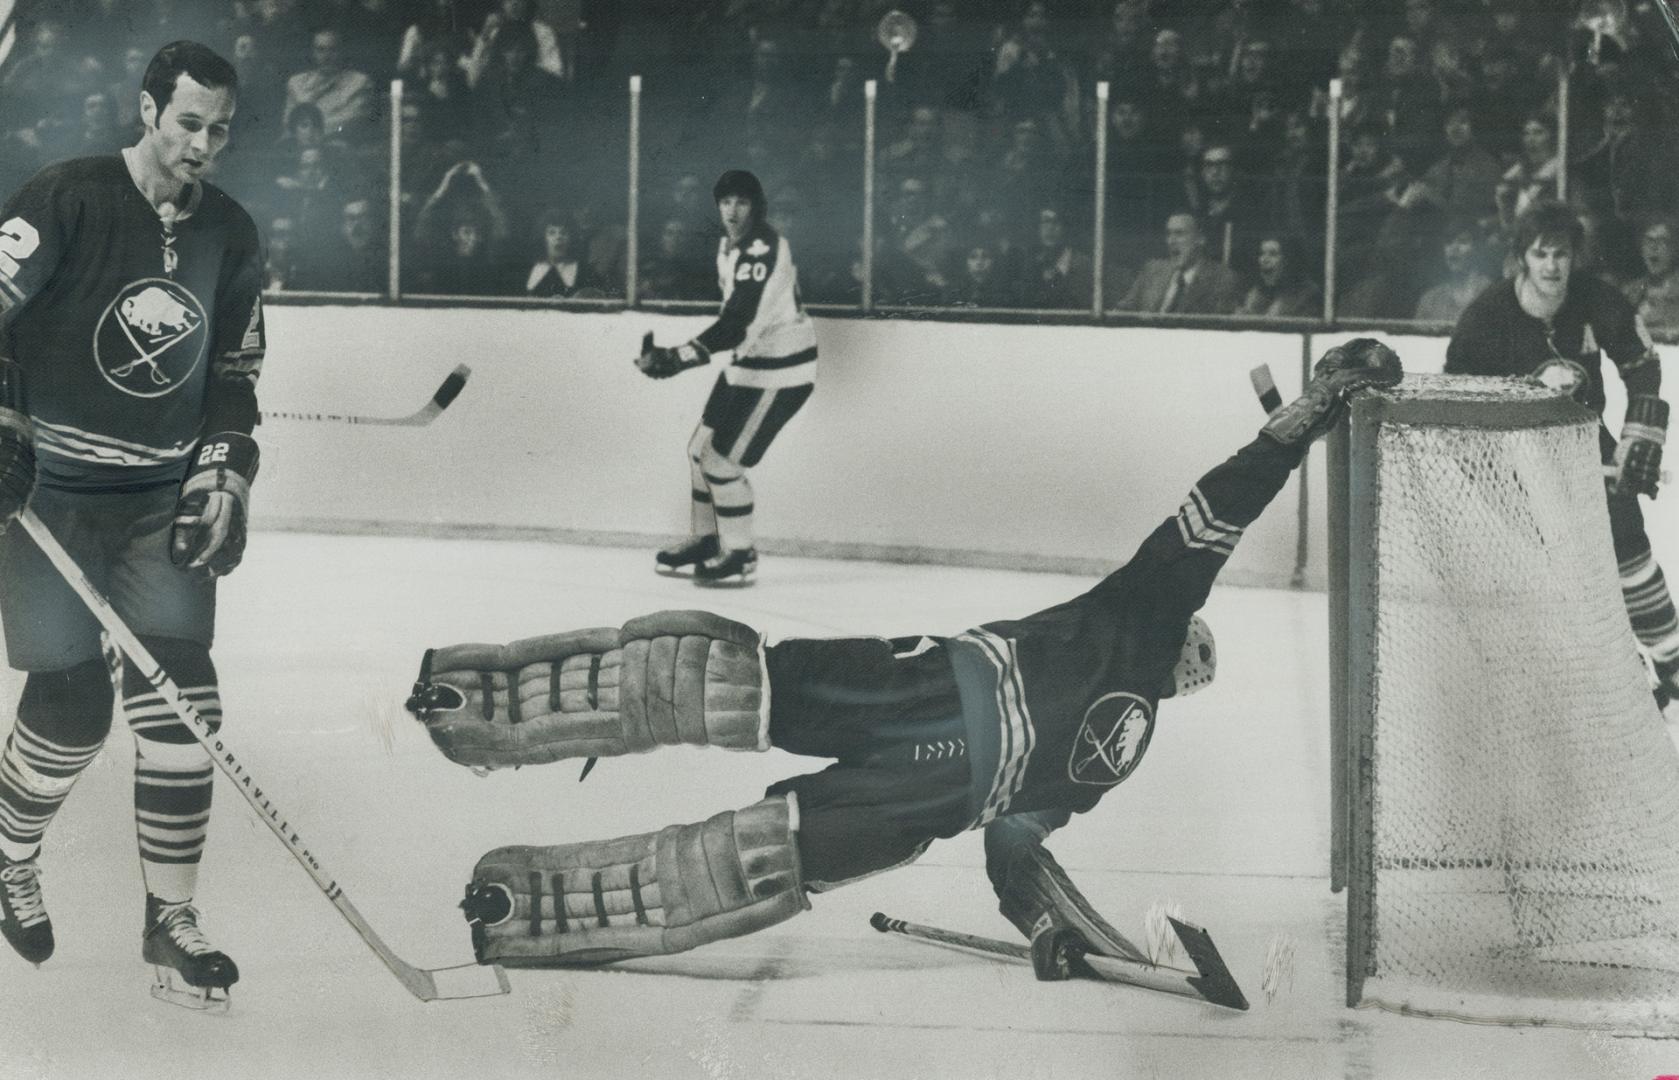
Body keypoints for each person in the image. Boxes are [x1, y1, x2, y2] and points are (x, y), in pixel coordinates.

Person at [406, 340, 1404, 975]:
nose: (1189, 662)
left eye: (1196, 668)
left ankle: (521, 911)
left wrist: (1043, 931)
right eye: (1193, 650)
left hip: (932, 788)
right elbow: (1224, 501)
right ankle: (484, 697)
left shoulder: (1118, 752)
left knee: (748, 864)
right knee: (723, 685)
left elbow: (1018, 846)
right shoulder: (1141, 610)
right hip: (929, 689)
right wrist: (1308, 413)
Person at [0, 40, 263, 1009]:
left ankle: (171, 919)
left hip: (158, 499)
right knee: (73, 708)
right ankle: (9, 854)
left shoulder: (231, 233)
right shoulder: (63, 197)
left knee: (184, 702)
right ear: (147, 109)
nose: (203, 145)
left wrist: (226, 475)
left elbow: (233, 380)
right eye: (188, 123)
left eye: (220, 130)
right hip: (46, 498)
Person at [1446, 201, 1679, 709]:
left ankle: (1671, 659)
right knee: (1552, 571)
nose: (1552, 266)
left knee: (1629, 549)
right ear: (1521, 258)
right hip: (1513, 453)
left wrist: (1640, 436)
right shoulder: (1487, 316)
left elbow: (1642, 365)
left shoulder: (1597, 299)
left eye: (1562, 254)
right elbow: (1456, 398)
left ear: (1576, 257)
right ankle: (1613, 666)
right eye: (1541, 253)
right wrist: (1489, 470)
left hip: (1583, 439)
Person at [635, 170, 817, 587]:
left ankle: (739, 553)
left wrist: (677, 356)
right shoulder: (729, 245)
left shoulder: (763, 250)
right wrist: (674, 356)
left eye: (742, 202)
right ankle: (707, 539)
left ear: (757, 207)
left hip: (782, 371)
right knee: (700, 450)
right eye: (725, 202)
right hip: (748, 363)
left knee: (720, 461)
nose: (732, 211)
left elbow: (736, 322)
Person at [1117, 211, 1243, 315]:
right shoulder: (1151, 270)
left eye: (1179, 233)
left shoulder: (1222, 279)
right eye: (1168, 234)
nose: (1171, 241)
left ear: (1200, 239)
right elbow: (1123, 311)